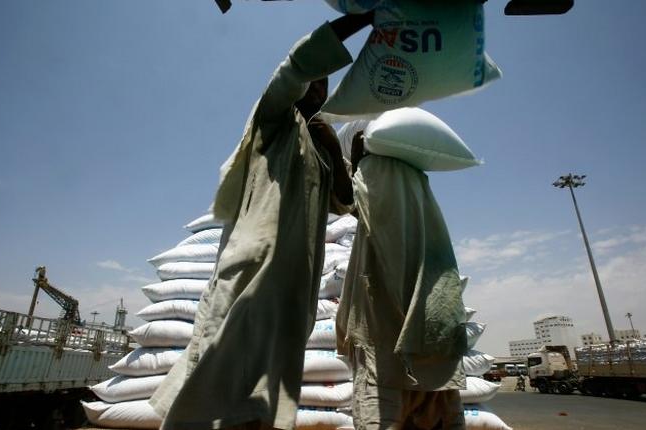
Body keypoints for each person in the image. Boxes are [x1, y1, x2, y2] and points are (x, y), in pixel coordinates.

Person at [150, 13, 373, 430]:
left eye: (325, 84)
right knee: (216, 379)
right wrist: (362, 19)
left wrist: (345, 153)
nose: (318, 88)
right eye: (315, 79)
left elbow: (346, 202)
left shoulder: (321, 147)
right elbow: (296, 64)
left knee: (264, 396)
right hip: (251, 274)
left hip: (292, 290)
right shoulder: (273, 118)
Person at [335, 132, 468, 430]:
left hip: (386, 356)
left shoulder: (376, 172)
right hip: (436, 341)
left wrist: (354, 162)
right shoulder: (419, 182)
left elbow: (347, 201)